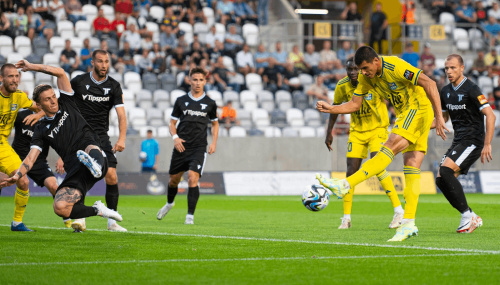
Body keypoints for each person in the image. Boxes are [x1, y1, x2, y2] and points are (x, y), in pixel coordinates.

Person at [316, 46, 448, 242]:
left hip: (417, 107)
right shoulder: (365, 77)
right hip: (406, 113)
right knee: (411, 165)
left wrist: (439, 116)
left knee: (390, 145)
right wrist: (332, 108)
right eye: (360, 69)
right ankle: (409, 223)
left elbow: (429, 83)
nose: (362, 73)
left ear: (376, 61)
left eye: (365, 68)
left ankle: (345, 184)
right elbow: (354, 104)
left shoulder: (395, 66)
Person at [0, 60, 123, 232]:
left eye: (53, 97)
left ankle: (93, 162)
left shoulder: (66, 101)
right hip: (75, 171)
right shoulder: (41, 130)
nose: (52, 101)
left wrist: (31, 67)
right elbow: (31, 157)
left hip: (94, 153)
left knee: (88, 147)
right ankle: (99, 210)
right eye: (47, 100)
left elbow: (60, 73)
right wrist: (18, 174)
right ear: (39, 105)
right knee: (60, 206)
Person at [325, 58, 403, 230]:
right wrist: (329, 132)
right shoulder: (342, 86)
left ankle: (399, 211)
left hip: (378, 130)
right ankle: (346, 218)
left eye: (355, 69)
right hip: (357, 132)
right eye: (349, 69)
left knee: (378, 166)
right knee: (351, 172)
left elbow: (393, 96)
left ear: (361, 69)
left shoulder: (373, 80)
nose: (353, 72)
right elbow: (334, 108)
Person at [434, 54, 496, 233]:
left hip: (473, 141)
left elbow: (490, 115)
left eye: (453, 68)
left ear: (462, 68)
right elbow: (443, 118)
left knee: (445, 171)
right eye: (446, 68)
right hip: (459, 141)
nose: (449, 71)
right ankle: (469, 215)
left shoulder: (472, 89)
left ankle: (467, 216)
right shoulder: (445, 91)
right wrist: (419, 126)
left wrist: (487, 143)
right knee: (440, 179)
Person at [69, 50, 128, 232]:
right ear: (92, 63)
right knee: (81, 175)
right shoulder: (79, 82)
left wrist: (122, 138)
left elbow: (121, 115)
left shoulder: (114, 86)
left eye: (106, 62)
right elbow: (63, 104)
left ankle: (112, 222)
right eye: (100, 62)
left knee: (111, 175)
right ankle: (79, 217)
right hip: (80, 135)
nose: (104, 65)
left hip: (102, 136)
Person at [157, 67, 219, 225]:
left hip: (198, 147)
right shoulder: (181, 101)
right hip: (181, 147)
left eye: (201, 80)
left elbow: (215, 124)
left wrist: (213, 142)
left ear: (205, 81)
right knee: (173, 181)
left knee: (193, 177)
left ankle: (189, 216)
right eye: (195, 79)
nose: (198, 83)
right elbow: (172, 123)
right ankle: (170, 203)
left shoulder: (210, 103)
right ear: (189, 81)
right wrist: (176, 138)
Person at [12, 109, 72, 228]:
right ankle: (17, 222)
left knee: (54, 186)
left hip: (38, 160)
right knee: (8, 181)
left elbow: (64, 139)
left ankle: (68, 217)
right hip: (16, 157)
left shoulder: (52, 120)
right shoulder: (21, 116)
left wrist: (61, 158)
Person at [0, 64, 42, 231]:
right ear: (1, 79)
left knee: (23, 180)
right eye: (10, 76)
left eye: (16, 76)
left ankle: (17, 222)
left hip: (2, 146)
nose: (14, 80)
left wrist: (39, 114)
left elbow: (41, 107)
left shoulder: (18, 97)